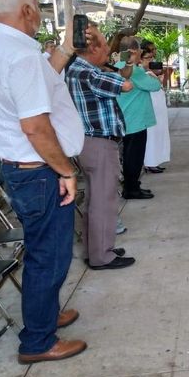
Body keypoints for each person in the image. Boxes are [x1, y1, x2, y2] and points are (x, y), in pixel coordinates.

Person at [0, 0, 86, 364]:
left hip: (25, 169)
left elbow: (42, 80)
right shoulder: (20, 56)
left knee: (46, 252)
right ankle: (38, 341)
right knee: (49, 256)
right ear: (25, 11)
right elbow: (36, 127)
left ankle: (45, 316)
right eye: (37, 6)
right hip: (40, 171)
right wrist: (65, 170)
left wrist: (65, 52)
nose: (39, 13)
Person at [65, 23, 136, 270]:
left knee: (94, 200)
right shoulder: (89, 73)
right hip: (98, 143)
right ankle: (102, 256)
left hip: (88, 143)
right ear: (92, 49)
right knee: (103, 201)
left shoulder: (74, 69)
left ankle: (95, 248)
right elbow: (125, 85)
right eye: (104, 46)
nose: (108, 52)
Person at [114, 38, 161, 199]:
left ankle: (132, 185)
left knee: (129, 155)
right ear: (133, 51)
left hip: (128, 118)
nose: (142, 52)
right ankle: (132, 188)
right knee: (134, 156)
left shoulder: (117, 67)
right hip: (136, 120)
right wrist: (151, 74)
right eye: (139, 49)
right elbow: (154, 86)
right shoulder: (135, 70)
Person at [140, 41, 171, 172]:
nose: (150, 60)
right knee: (151, 134)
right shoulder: (139, 72)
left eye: (151, 57)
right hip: (149, 106)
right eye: (147, 58)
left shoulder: (150, 72)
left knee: (159, 132)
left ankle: (155, 160)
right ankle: (149, 162)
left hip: (158, 105)